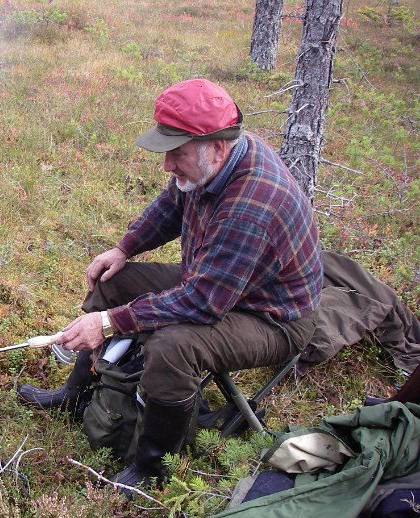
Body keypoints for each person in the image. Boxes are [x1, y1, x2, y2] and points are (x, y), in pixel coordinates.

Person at [18, 79, 323, 491]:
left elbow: (201, 302)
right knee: (113, 283)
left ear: (217, 148)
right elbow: (172, 203)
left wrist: (108, 323)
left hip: (270, 316)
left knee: (173, 346)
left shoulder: (253, 205)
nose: (167, 165)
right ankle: (75, 394)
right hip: (216, 278)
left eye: (177, 154)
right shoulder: (216, 160)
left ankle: (152, 466)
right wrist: (125, 247)